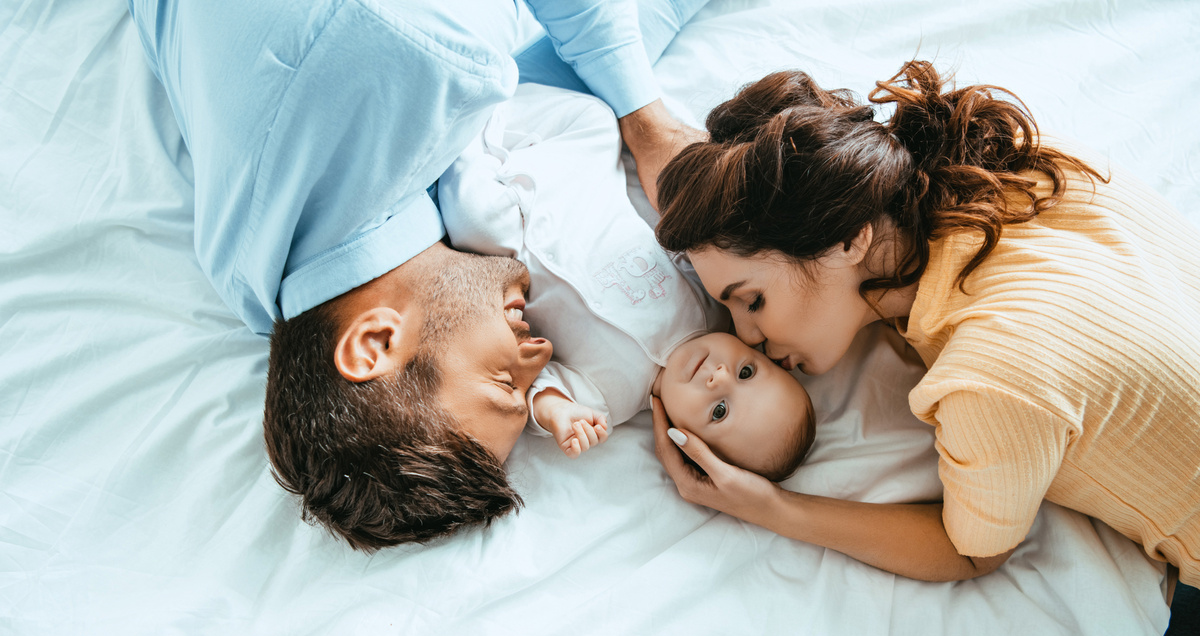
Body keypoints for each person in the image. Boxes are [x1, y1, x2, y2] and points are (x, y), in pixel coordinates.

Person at [126, 0, 708, 550]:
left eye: (503, 382)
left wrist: (649, 124)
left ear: (375, 342)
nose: (542, 352)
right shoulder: (255, 281)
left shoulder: (412, 63)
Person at [649, 61, 1200, 591]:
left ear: (848, 239)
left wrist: (768, 506)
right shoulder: (1013, 160)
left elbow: (972, 552)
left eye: (753, 300)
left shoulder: (991, 373)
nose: (745, 336)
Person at [438, 86, 815, 479]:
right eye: (747, 372)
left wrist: (559, 413)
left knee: (473, 221)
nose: (718, 376)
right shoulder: (714, 304)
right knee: (596, 117)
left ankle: (458, 124)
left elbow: (538, 381)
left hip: (512, 240)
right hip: (580, 184)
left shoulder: (608, 401)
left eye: (719, 410)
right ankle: (492, 99)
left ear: (684, 439)